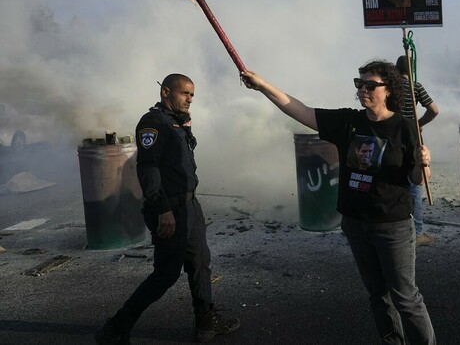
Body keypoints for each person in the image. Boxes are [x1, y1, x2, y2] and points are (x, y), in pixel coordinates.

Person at [241, 61, 436, 344]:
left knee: (405, 298)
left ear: (389, 90)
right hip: (355, 223)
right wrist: (262, 86)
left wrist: (422, 163)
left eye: (371, 85)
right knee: (377, 294)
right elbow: (300, 110)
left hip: (392, 225)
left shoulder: (406, 127)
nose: (363, 90)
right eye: (360, 84)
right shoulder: (349, 121)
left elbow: (418, 179)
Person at [95, 74, 240, 344]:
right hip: (170, 209)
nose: (190, 99)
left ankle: (206, 323)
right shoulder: (153, 123)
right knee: (165, 274)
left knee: (200, 264)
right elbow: (148, 168)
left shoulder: (176, 121)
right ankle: (115, 329)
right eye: (185, 93)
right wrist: (162, 209)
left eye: (192, 95)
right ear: (165, 92)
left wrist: (186, 128)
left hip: (190, 205)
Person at [395, 55, 439, 247]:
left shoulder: (390, 88)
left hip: (392, 136)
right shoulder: (416, 86)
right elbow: (434, 110)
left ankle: (395, 230)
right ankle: (417, 232)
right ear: (412, 69)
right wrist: (417, 124)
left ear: (396, 70)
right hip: (412, 139)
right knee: (415, 184)